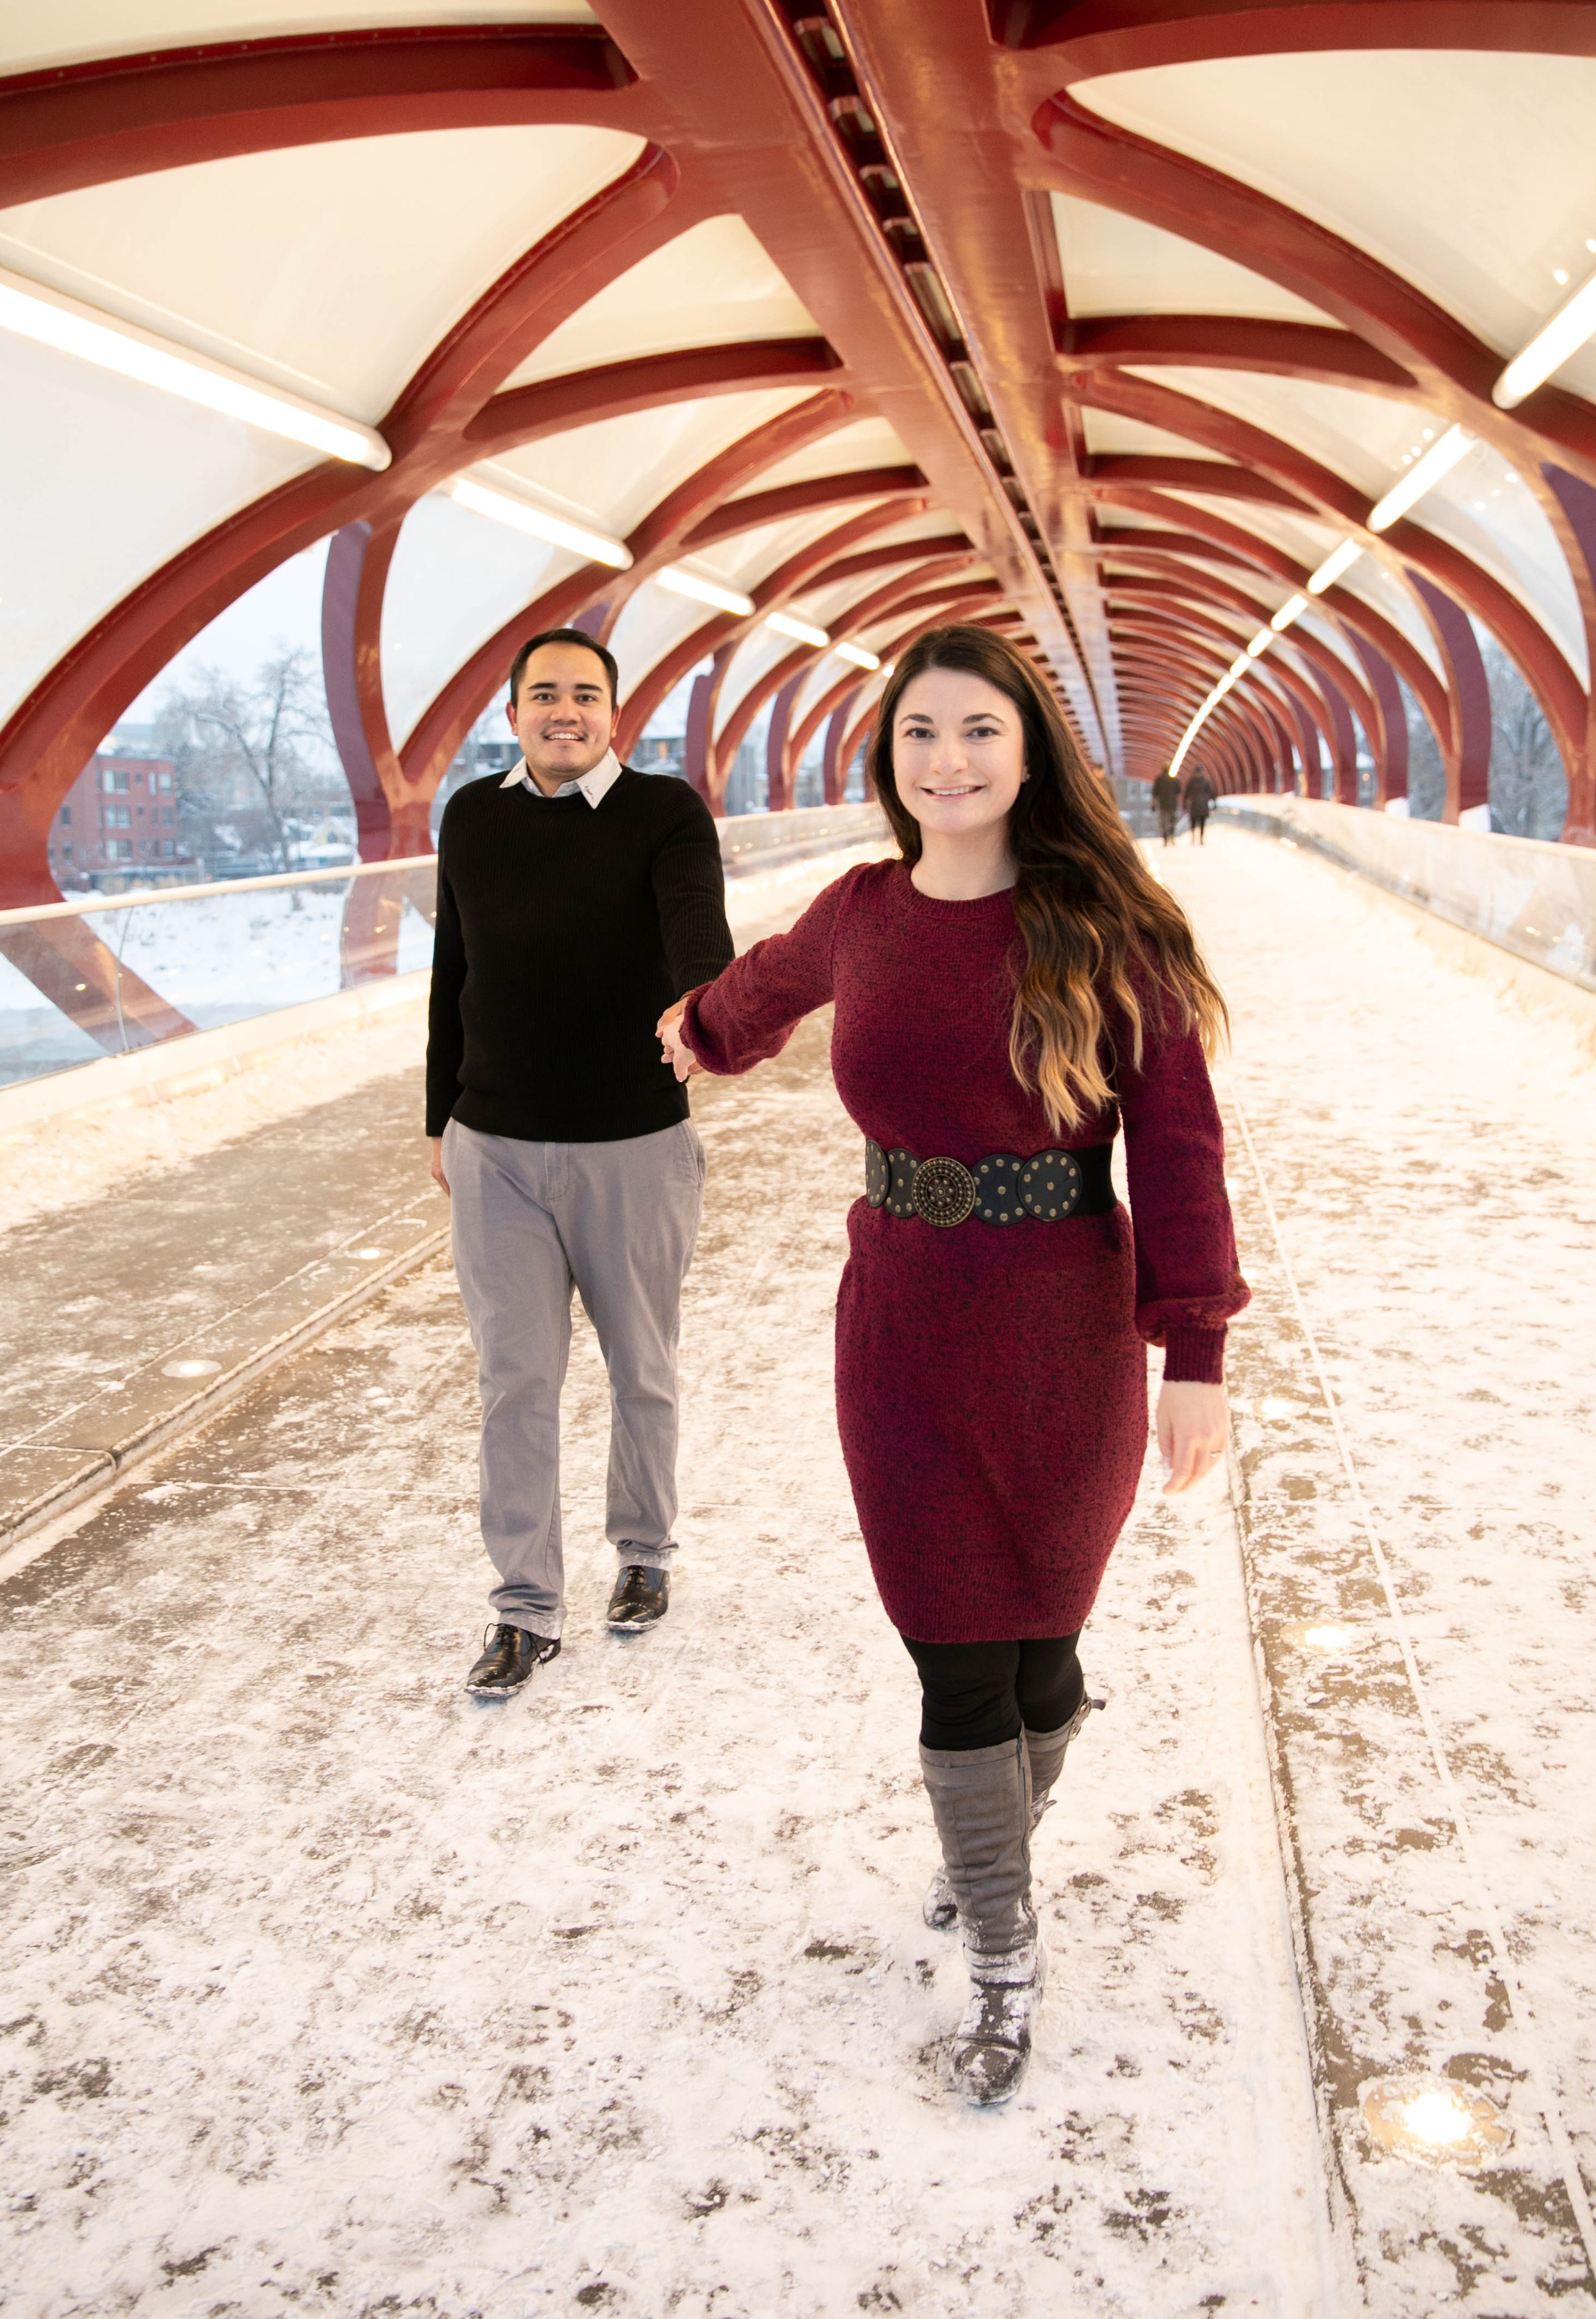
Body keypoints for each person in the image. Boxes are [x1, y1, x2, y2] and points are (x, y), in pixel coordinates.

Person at [659, 624, 1247, 2107]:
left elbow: (1175, 1147)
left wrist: (1194, 1347)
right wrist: (699, 1028)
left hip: (1065, 1326)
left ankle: (991, 1851)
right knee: (949, 1649)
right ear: (888, 755)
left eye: (978, 729)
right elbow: (764, 988)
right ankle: (1001, 1942)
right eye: (919, 732)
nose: (948, 759)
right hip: (902, 1322)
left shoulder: (1112, 927)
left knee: (1042, 1648)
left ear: (1028, 748)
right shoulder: (860, 908)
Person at [428, 627, 734, 1699]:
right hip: (495, 1148)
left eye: (586, 694)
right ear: (513, 713)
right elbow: (451, 973)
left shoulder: (664, 812)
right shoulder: (471, 816)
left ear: (616, 712)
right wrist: (439, 1119)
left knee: (640, 1364)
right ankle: (523, 1606)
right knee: (516, 1378)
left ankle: (643, 1550)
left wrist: (704, 1004)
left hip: (633, 1145)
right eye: (543, 694)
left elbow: (699, 923)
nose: (565, 710)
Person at [1184, 768, 1215, 845]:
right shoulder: (1206, 781)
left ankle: (1193, 836)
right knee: (1202, 822)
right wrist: (1214, 802)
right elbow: (1211, 793)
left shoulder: (1191, 781)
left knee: (1193, 822)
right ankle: (1201, 838)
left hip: (1194, 804)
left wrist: (1184, 804)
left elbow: (1186, 793)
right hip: (1203, 804)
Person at [1151, 768, 1180, 846]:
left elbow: (1155, 793)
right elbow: (1179, 791)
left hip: (1162, 804)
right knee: (1172, 820)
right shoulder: (1174, 779)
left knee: (1163, 821)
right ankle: (1172, 835)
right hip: (1172, 804)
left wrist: (1153, 805)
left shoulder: (1159, 779)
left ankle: (1165, 838)